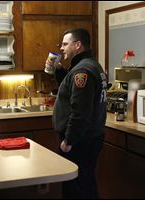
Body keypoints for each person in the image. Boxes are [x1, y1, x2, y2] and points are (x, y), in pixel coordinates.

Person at [45, 28, 107, 199]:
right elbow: (71, 87)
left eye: (65, 44)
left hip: (80, 140)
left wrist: (69, 140)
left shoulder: (82, 71)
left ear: (78, 45)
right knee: (85, 182)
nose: (62, 48)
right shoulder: (90, 65)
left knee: (77, 187)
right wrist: (58, 69)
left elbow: (80, 111)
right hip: (89, 136)